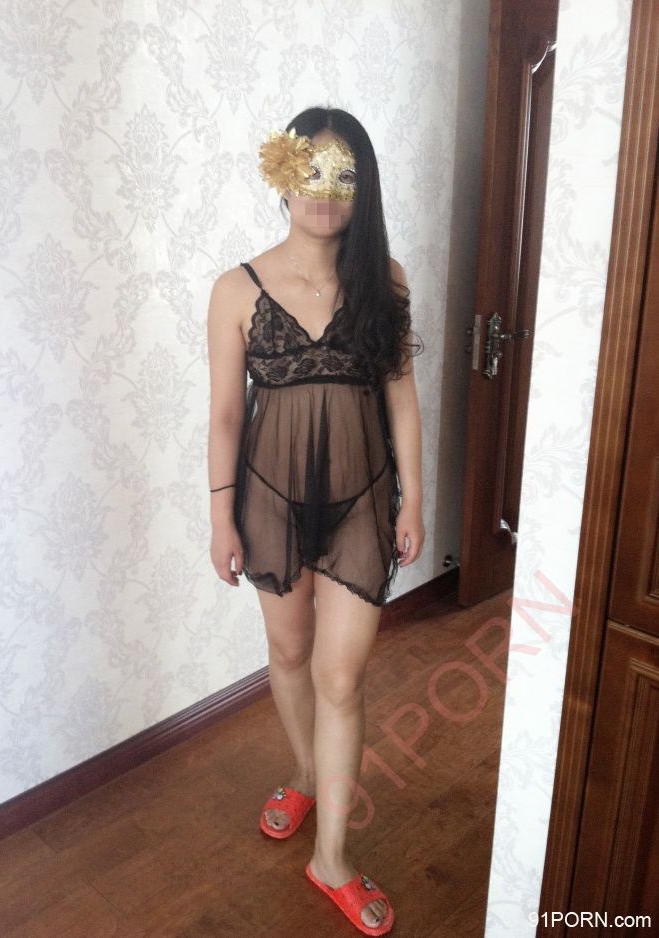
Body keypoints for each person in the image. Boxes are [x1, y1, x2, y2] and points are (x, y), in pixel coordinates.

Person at [207, 106, 424, 936]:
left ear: (363, 190)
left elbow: (401, 397)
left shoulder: (385, 280)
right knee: (291, 655)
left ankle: (331, 857)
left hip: (363, 500)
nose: (325, 193)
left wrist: (415, 498)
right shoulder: (237, 289)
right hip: (268, 501)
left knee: (341, 678)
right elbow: (226, 416)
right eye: (311, 173)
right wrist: (221, 520)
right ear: (283, 175)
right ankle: (304, 773)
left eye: (345, 176)